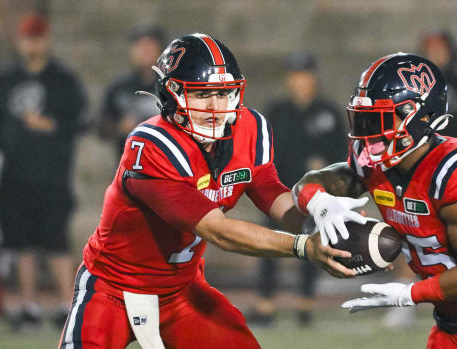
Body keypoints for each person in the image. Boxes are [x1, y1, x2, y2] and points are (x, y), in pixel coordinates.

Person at [58, 33, 354, 349]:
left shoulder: (249, 128)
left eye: (223, 93)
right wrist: (305, 246)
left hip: (180, 291)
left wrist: (318, 221)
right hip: (113, 288)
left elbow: (269, 190)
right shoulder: (151, 146)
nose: (215, 106)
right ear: (171, 94)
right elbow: (219, 231)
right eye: (202, 94)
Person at [293, 53, 457, 348]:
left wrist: (410, 294)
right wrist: (320, 204)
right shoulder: (373, 164)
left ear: (418, 116)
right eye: (363, 119)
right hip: (450, 320)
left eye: (378, 119)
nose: (368, 134)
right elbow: (310, 183)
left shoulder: (453, 170)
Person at [0, 13, 88, 330]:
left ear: (46, 40)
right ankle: (29, 305)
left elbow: (81, 121)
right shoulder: (5, 81)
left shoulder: (63, 80)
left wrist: (50, 125)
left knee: (56, 240)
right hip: (14, 176)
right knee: (20, 242)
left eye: (37, 37)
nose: (32, 44)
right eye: (27, 38)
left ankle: (65, 304)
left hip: (52, 175)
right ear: (20, 41)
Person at [247, 52, 347, 326]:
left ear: (314, 78)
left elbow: (342, 154)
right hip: (278, 193)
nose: (300, 81)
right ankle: (265, 304)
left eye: (304, 75)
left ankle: (305, 303)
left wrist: (325, 168)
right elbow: (262, 149)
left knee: (313, 246)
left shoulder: (327, 112)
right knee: (268, 244)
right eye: (295, 75)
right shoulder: (278, 112)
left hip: (315, 194)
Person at [98, 24, 166, 159]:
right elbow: (102, 126)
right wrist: (119, 127)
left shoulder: (173, 86)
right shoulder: (120, 87)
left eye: (150, 46)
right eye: (140, 46)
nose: (145, 51)